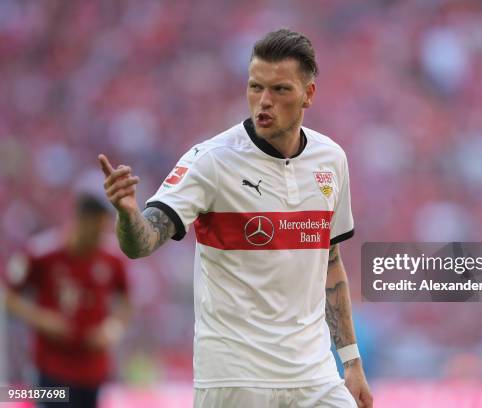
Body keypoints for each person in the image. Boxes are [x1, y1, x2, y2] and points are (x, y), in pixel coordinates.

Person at [98, 28, 373, 408]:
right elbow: (140, 242)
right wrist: (128, 214)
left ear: (308, 94)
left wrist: (352, 363)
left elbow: (331, 265)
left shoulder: (331, 159)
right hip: (235, 376)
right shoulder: (212, 161)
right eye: (255, 87)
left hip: (314, 375)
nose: (263, 101)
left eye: (280, 90)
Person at [4, 194, 132, 408]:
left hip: (92, 370)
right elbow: (8, 296)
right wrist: (41, 318)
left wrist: (113, 328)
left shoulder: (112, 259)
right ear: (81, 221)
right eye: (96, 229)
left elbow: (127, 300)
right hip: (51, 368)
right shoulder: (41, 253)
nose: (100, 236)